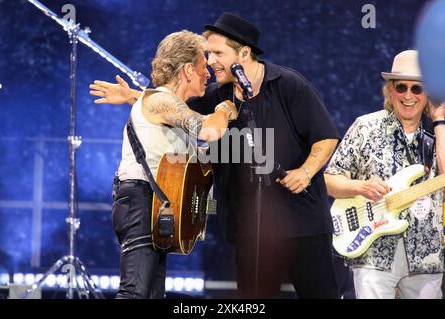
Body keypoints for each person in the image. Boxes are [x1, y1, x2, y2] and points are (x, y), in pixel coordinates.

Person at [91, 13, 340, 299]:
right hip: (250, 231)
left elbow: (326, 135)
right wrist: (133, 95)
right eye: (207, 54)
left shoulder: (288, 84)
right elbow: (169, 103)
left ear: (244, 52)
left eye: (217, 53)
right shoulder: (217, 94)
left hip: (301, 225)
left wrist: (306, 172)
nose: (209, 62)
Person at [91, 30, 237, 299]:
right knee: (134, 292)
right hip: (140, 202)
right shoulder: (162, 100)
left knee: (151, 295)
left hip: (154, 206)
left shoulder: (161, 102)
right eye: (203, 66)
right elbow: (209, 131)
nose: (208, 73)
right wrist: (225, 110)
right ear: (187, 71)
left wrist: (131, 95)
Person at [324, 49, 445, 299]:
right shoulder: (366, 126)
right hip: (374, 255)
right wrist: (360, 187)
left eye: (417, 89)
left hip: (426, 258)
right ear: (389, 90)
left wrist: (440, 120)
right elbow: (328, 180)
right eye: (401, 87)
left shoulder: (438, 133)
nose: (409, 96)